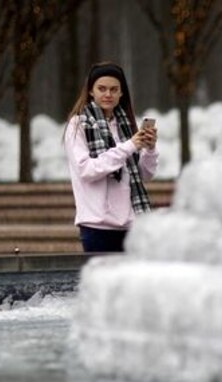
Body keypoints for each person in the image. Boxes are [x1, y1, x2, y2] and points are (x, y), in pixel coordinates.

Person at [63, 61, 159, 253]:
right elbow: (87, 170)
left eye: (114, 89)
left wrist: (149, 149)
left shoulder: (125, 124)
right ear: (91, 91)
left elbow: (144, 176)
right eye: (102, 89)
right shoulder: (78, 124)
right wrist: (130, 146)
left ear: (121, 93)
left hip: (132, 225)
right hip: (97, 227)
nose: (108, 94)